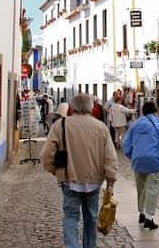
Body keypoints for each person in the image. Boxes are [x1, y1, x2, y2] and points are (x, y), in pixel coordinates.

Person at [40, 93, 118, 248]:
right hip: (94, 182)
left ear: (72, 107)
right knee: (91, 218)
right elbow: (110, 157)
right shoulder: (101, 127)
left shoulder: (61, 125)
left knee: (70, 217)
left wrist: (56, 171)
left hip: (69, 179)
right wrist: (110, 182)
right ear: (91, 107)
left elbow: (46, 155)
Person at [122, 100, 159, 230]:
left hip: (138, 161)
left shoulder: (135, 125)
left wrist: (132, 155)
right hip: (155, 162)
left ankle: (141, 213)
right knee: (152, 188)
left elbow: (126, 143)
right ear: (155, 111)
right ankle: (149, 218)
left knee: (141, 188)